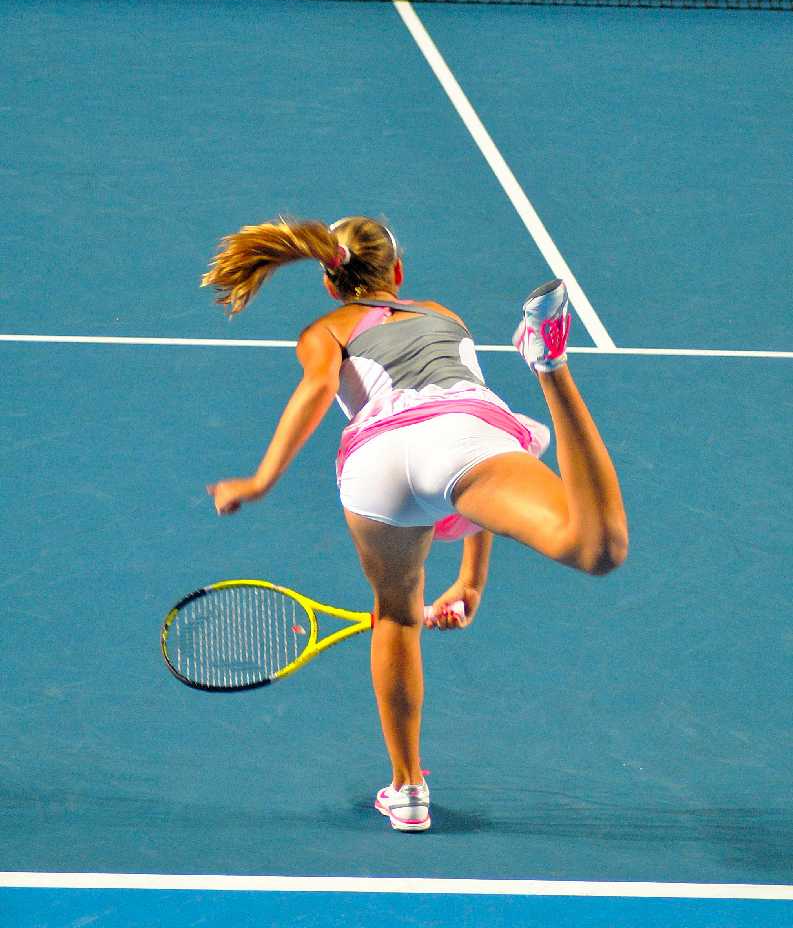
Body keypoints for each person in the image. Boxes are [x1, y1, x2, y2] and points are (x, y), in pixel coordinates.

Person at [202, 216, 628, 832]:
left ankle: (406, 790)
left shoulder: (325, 329)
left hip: (377, 466)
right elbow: (463, 442)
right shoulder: (442, 314)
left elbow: (317, 390)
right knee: (597, 547)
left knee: (397, 615)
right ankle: (550, 364)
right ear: (397, 273)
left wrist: (260, 480)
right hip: (463, 438)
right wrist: (473, 579)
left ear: (330, 282)